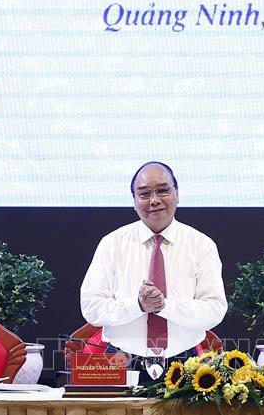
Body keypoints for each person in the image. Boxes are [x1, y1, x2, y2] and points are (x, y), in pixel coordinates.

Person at [80, 161, 227, 379]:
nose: (154, 200)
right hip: (118, 360)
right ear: (134, 201)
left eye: (162, 190)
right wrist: (137, 305)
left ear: (177, 194)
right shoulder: (112, 244)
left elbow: (214, 309)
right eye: (144, 193)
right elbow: (91, 307)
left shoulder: (201, 245)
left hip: (185, 362)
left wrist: (164, 306)